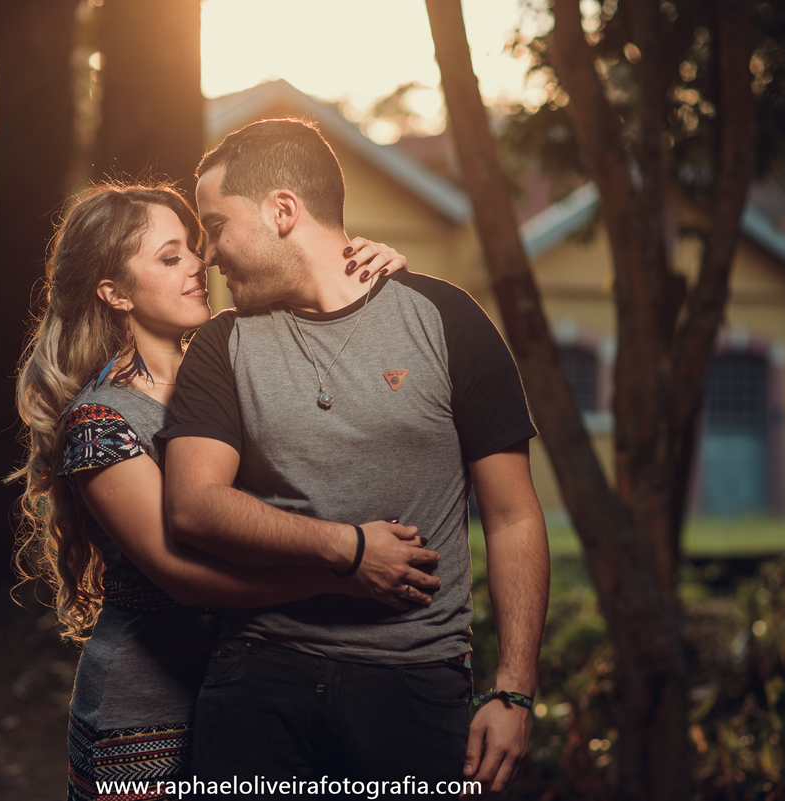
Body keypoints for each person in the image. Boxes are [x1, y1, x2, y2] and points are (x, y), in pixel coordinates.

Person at [162, 118, 551, 797]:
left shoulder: (447, 320)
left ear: (283, 210)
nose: (209, 255)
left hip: (414, 687)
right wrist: (347, 548)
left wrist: (514, 691)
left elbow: (514, 516)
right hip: (258, 677)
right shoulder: (222, 344)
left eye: (216, 225)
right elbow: (194, 505)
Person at [10, 181, 435, 801]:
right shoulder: (100, 422)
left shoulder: (237, 364)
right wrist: (343, 568)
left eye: (193, 248)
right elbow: (181, 576)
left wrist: (373, 277)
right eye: (169, 256)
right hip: (146, 717)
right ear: (114, 293)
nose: (198, 265)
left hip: (249, 698)